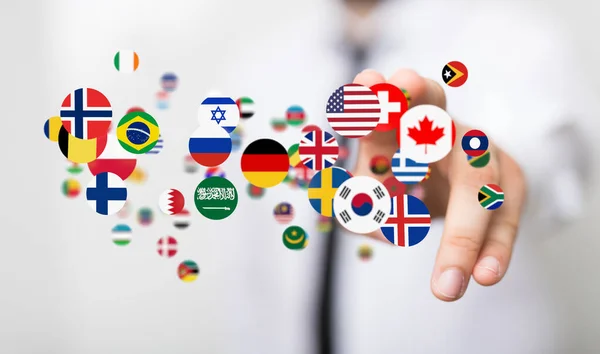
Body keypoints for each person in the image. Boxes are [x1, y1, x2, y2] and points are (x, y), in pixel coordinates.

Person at [40, 0, 595, 353]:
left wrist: (472, 176)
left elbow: (550, 159)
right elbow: (251, 265)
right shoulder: (261, 65)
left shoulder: (514, 38)